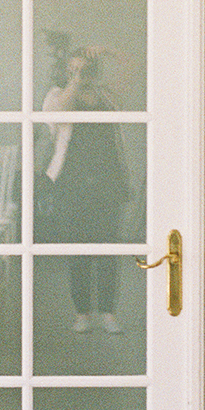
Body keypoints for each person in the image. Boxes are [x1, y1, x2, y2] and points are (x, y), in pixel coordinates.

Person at [41, 45, 130, 333]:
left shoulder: (105, 95)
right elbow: (57, 114)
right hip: (71, 181)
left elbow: (135, 75)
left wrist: (107, 52)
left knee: (107, 248)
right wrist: (76, 81)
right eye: (74, 69)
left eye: (85, 69)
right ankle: (82, 313)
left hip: (108, 180)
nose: (81, 73)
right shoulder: (57, 95)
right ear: (66, 71)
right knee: (77, 249)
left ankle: (107, 312)